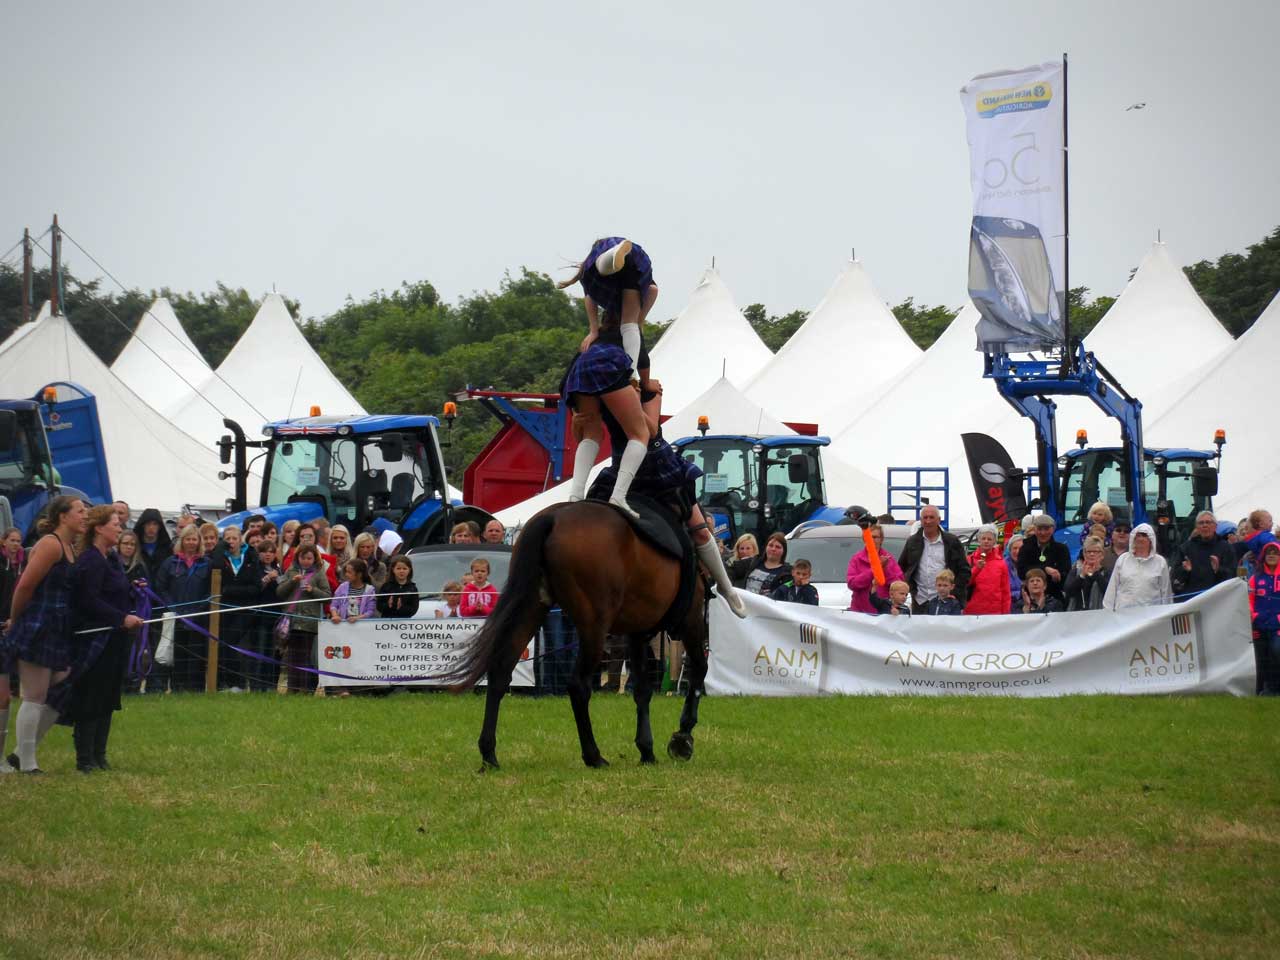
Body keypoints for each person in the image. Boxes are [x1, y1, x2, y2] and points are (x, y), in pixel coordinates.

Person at [585, 381, 748, 617]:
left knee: (700, 530)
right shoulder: (607, 389)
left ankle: (726, 586)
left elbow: (650, 430)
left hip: (659, 468)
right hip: (624, 471)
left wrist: (632, 402)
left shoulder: (650, 391)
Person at [558, 237, 656, 519]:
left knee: (592, 434)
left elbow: (589, 297)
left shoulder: (595, 338)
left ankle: (575, 495)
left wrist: (591, 329)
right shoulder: (629, 333)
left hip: (581, 370)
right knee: (640, 434)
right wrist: (639, 379)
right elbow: (638, 324)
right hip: (613, 367)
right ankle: (619, 496)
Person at [1, 496, 86, 773]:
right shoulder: (50, 544)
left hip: (56, 625)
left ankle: (19, 756)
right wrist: (16, 619)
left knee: (61, 683)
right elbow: (25, 586)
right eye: (80, 511)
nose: (85, 515)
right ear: (63, 516)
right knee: (34, 695)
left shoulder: (70, 547)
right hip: (38, 624)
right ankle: (26, 763)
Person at [60, 506, 143, 772]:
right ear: (99, 528)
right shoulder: (90, 560)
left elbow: (111, 591)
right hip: (94, 639)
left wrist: (131, 590)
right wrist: (121, 618)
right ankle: (84, 758)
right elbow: (88, 600)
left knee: (108, 696)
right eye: (116, 524)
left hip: (113, 639)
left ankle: (99, 755)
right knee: (91, 696)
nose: (120, 529)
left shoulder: (112, 559)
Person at [154, 524, 213, 693]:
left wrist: (198, 610)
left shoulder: (206, 563)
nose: (191, 542)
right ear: (182, 540)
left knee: (197, 655)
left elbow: (211, 590)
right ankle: (178, 689)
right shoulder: (170, 563)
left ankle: (196, 690)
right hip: (175, 617)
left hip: (198, 618)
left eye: (194, 539)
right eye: (188, 539)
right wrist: (173, 609)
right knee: (178, 653)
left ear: (199, 541)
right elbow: (161, 587)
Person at [210, 525, 264, 691]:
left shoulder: (251, 557)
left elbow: (256, 586)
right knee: (223, 643)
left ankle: (238, 682)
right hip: (224, 608)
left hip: (246, 609)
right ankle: (226, 682)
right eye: (228, 539)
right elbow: (214, 573)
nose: (231, 542)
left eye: (234, 538)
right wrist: (220, 550)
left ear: (241, 540)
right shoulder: (221, 557)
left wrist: (230, 591)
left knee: (230, 642)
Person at [276, 544, 332, 693]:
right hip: (292, 621)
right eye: (303, 557)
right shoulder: (290, 571)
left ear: (314, 559)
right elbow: (280, 592)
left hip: (310, 622)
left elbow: (327, 597)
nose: (306, 561)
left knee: (306, 657)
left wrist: (312, 590)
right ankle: (292, 688)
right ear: (297, 557)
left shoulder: (319, 573)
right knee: (292, 657)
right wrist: (292, 581)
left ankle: (306, 688)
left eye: (309, 558)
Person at [898, 505, 970, 613]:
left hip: (946, 602)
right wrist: (910, 590)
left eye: (931, 517)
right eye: (925, 518)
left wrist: (953, 592)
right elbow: (901, 568)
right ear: (921, 521)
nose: (928, 521)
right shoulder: (912, 542)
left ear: (939, 520)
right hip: (920, 601)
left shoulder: (952, 541)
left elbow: (964, 571)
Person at [1102, 523, 1172, 610]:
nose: (1140, 538)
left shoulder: (1160, 562)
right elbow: (1112, 588)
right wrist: (1107, 611)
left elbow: (1166, 592)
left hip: (1151, 615)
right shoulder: (1123, 559)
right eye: (1138, 536)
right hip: (1123, 615)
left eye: (1144, 535)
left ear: (1151, 539)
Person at [1171, 511, 1235, 598]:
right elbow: (1175, 578)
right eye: (1201, 523)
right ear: (1196, 527)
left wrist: (1218, 570)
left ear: (1215, 526)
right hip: (1193, 600)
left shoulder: (1226, 547)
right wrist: (1185, 570)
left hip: (1219, 599)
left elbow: (1233, 576)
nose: (1204, 525)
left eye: (1208, 522)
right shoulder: (1185, 548)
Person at [846, 525, 905, 614]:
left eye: (875, 537)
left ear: (881, 539)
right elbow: (852, 584)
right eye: (868, 537)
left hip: (883, 613)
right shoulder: (856, 559)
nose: (871, 540)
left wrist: (885, 569)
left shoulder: (889, 559)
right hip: (860, 612)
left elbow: (899, 584)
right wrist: (876, 569)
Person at [1248, 542, 1280, 696]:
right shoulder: (1255, 577)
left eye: (1275, 553)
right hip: (1259, 624)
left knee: (1276, 652)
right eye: (1269, 553)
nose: (1272, 556)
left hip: (1278, 626)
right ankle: (1261, 689)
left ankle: (1274, 688)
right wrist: (1254, 616)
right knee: (1260, 658)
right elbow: (1249, 600)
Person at [1016, 514, 1071, 603]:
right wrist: (1045, 569)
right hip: (1030, 599)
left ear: (1053, 530)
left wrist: (1058, 576)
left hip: (1054, 598)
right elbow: (1021, 572)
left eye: (1046, 529)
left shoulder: (1062, 549)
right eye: (1039, 529)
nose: (1043, 533)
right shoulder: (1025, 549)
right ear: (1034, 529)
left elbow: (1066, 573)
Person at [254, 539, 284, 693]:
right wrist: (267, 578)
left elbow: (283, 590)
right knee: (261, 650)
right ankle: (258, 685)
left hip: (276, 616)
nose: (268, 554)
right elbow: (254, 589)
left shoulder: (279, 570)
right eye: (264, 551)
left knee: (274, 652)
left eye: (271, 551)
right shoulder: (255, 569)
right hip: (260, 617)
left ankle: (272, 685)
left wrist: (277, 577)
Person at [729, 531, 791, 599]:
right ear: (766, 547)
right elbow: (730, 569)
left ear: (784, 551)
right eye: (770, 545)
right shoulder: (754, 561)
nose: (773, 549)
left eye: (778, 547)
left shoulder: (787, 573)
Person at [1063, 536, 1111, 611]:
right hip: (1077, 615)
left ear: (1102, 555)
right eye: (1089, 551)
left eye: (1096, 551)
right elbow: (1068, 591)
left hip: (1100, 616)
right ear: (1084, 554)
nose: (1092, 554)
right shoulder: (1075, 571)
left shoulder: (1107, 572)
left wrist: (1097, 574)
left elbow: (1109, 593)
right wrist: (1081, 576)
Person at [330, 559, 376, 623]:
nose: (346, 574)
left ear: (359, 574)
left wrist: (357, 618)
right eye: (346, 571)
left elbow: (370, 611)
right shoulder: (342, 587)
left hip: (361, 626)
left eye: (349, 572)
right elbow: (334, 605)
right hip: (343, 624)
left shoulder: (370, 590)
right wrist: (335, 616)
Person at [132, 508, 172, 579]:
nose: (151, 527)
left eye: (155, 524)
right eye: (148, 524)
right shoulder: (133, 546)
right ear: (143, 525)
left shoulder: (167, 548)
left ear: (159, 527)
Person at [1005, 534, 1024, 606]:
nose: (1018, 551)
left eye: (1021, 548)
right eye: (1015, 548)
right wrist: (1020, 594)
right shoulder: (1003, 566)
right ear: (1009, 550)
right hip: (1010, 606)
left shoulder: (1032, 565)